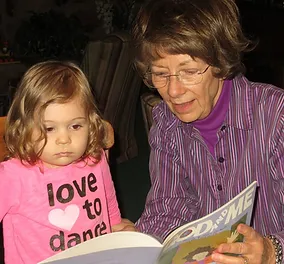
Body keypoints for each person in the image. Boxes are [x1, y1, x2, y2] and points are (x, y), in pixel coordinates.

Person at [132, 0, 284, 263]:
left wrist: (272, 251)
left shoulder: (275, 117)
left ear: (220, 62)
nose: (173, 92)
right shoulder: (167, 124)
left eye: (189, 72)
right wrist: (139, 243)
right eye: (160, 74)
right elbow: (168, 208)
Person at [0, 61, 135, 264]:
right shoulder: (13, 175)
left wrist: (114, 223)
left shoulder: (95, 158)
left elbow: (107, 197)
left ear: (91, 124)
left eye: (75, 126)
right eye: (49, 129)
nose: (64, 139)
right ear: (25, 128)